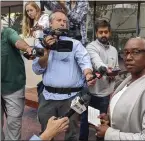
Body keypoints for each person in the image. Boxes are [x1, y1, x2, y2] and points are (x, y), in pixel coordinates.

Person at [32, 10, 95, 141]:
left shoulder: (75, 44)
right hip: (48, 97)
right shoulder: (42, 44)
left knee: (73, 133)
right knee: (46, 131)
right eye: (59, 20)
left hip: (72, 98)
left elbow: (84, 61)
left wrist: (88, 74)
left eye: (65, 21)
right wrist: (46, 50)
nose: (62, 23)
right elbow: (37, 69)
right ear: (50, 23)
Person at [95, 37, 145, 140]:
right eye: (125, 53)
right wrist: (110, 119)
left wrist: (109, 133)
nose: (128, 57)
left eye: (135, 52)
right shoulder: (130, 78)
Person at [79, 20, 119, 141]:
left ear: (109, 33)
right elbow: (97, 62)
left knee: (101, 124)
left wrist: (113, 75)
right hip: (89, 93)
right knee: (84, 122)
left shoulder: (114, 50)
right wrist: (106, 69)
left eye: (106, 32)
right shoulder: (91, 47)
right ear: (96, 33)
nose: (103, 35)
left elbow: (116, 68)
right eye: (100, 32)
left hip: (105, 95)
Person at [1, 25, 34, 140]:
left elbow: (18, 41)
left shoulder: (8, 32)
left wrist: (28, 48)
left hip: (13, 85)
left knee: (14, 122)